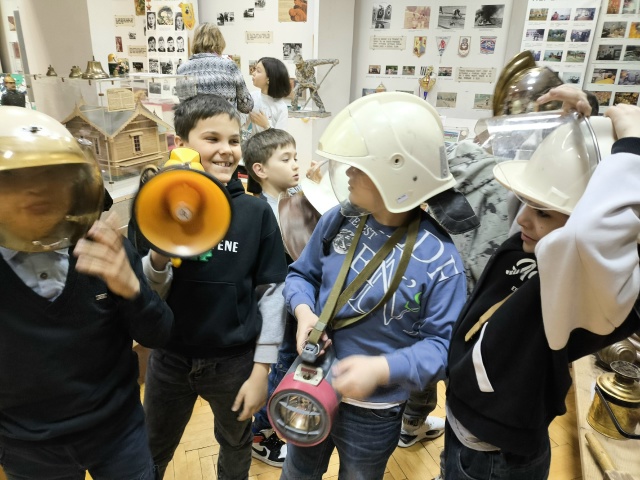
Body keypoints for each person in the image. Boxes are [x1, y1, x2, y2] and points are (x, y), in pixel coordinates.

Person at [441, 90, 640, 479]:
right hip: (465, 421)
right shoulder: (538, 245)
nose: (523, 218)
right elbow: (573, 200)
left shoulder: (589, 287)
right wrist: (590, 122)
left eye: (543, 212)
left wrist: (634, 142)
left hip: (495, 455)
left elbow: (592, 232)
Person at [280, 92, 468, 480]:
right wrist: (304, 312)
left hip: (374, 412)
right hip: (312, 381)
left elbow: (442, 347)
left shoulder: (441, 260)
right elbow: (301, 275)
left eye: (360, 167)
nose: (348, 173)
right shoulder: (338, 220)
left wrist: (381, 369)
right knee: (297, 473)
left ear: (396, 175)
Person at [0, 107, 174, 479]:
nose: (36, 188)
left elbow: (159, 333)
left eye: (51, 173)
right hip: (29, 448)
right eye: (12, 177)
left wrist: (132, 290)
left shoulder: (105, 247)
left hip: (119, 433)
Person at [141, 94, 288, 479]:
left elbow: (272, 294)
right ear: (181, 145)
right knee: (152, 447)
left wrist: (262, 370)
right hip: (170, 358)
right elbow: (145, 296)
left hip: (234, 362)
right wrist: (159, 257)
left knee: (236, 443)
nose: (226, 150)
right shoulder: (157, 205)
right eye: (212, 139)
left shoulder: (255, 212)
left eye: (234, 140)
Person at [242, 128, 300, 466]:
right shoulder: (260, 211)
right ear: (260, 169)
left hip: (295, 300)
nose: (295, 165)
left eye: (295, 157)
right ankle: (262, 434)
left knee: (289, 362)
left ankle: (272, 425)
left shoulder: (292, 200)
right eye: (286, 159)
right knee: (279, 365)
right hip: (275, 305)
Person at [176, 23, 253, 114]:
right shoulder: (229, 66)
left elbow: (183, 104)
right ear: (220, 41)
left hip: (193, 122)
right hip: (223, 121)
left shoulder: (182, 69)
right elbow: (246, 106)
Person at [246, 57, 291, 137]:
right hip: (252, 144)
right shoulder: (252, 97)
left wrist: (266, 125)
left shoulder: (281, 107)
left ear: (269, 79)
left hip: (271, 144)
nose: (253, 73)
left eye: (258, 71)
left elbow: (282, 138)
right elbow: (242, 124)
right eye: (254, 69)